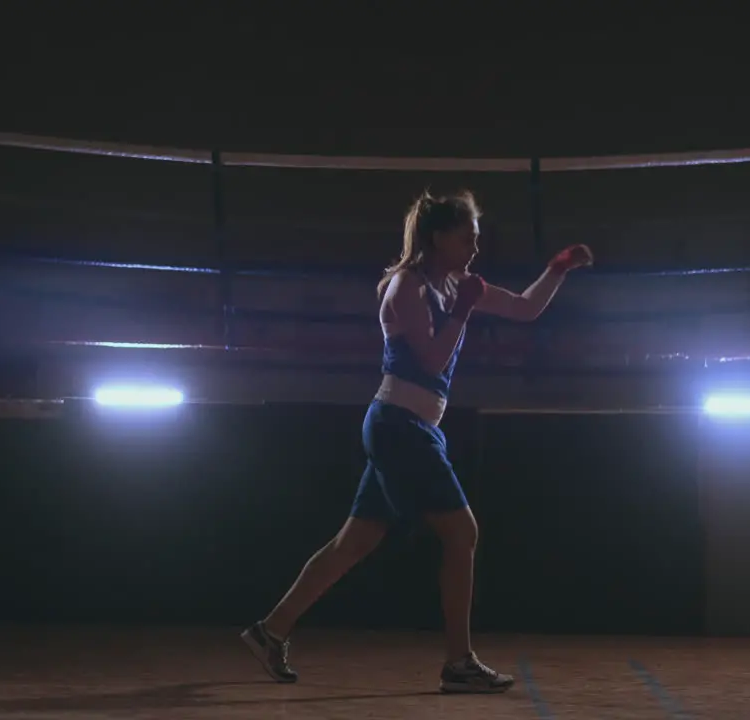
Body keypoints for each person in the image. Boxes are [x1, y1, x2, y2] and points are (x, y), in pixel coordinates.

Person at [241, 189, 593, 694]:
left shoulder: (456, 285)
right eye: (467, 237)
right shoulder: (406, 286)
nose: (475, 248)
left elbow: (524, 309)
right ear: (437, 236)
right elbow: (429, 360)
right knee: (462, 533)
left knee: (353, 543)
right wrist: (463, 312)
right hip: (398, 425)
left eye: (477, 238)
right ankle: (459, 663)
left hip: (414, 427)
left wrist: (557, 269)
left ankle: (269, 630)